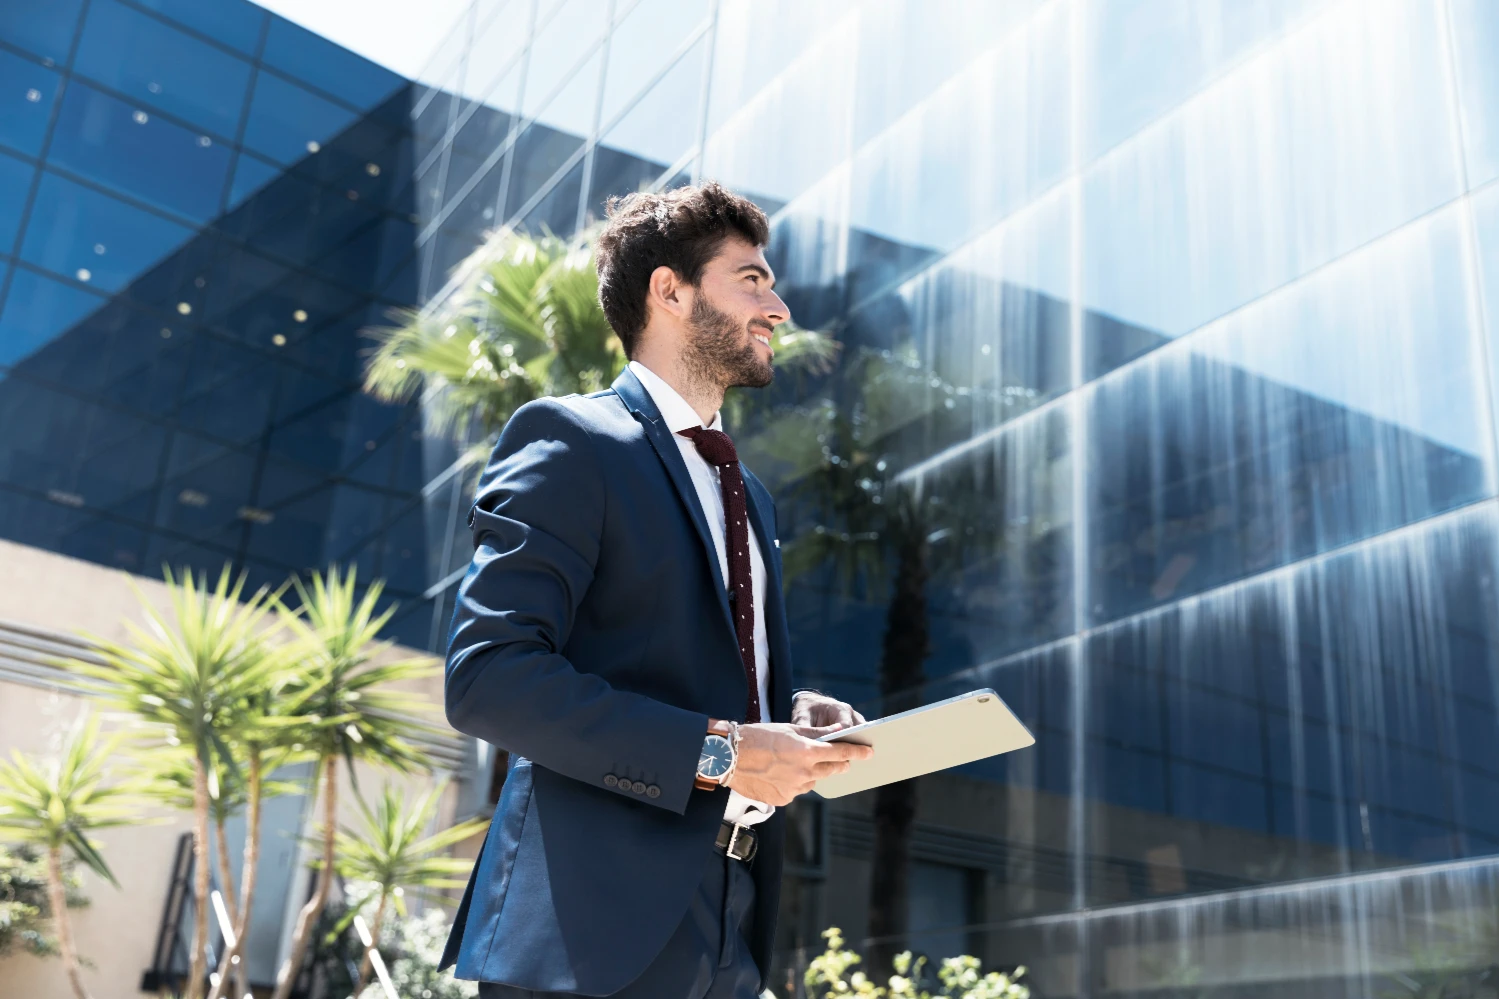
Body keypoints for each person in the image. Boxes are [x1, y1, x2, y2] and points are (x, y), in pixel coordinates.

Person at [437, 182, 874, 1000]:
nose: (778, 308)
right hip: (587, 933)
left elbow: (675, 670)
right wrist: (727, 753)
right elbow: (488, 678)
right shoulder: (571, 439)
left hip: (732, 923)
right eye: (752, 279)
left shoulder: (750, 495)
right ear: (670, 291)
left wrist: (783, 716)